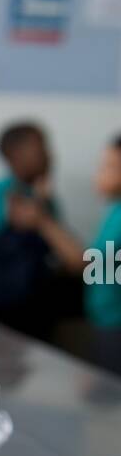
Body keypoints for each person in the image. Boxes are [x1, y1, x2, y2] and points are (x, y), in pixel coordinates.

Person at [0, 122, 82, 335]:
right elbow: (17, 219)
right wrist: (38, 205)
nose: (49, 155)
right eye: (41, 148)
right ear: (14, 155)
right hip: (4, 298)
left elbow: (57, 245)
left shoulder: (48, 200)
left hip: (39, 297)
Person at [84, 134, 121, 356]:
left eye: (111, 167)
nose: (100, 174)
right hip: (104, 320)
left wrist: (44, 223)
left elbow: (87, 260)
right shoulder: (113, 211)